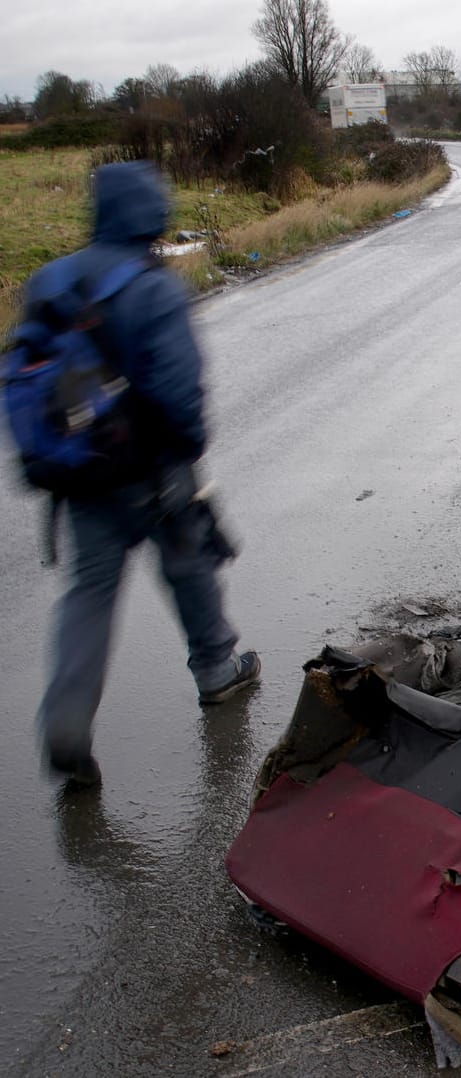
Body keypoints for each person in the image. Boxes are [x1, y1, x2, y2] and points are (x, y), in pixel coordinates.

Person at [28, 161, 258, 789]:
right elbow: (179, 391)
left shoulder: (51, 279)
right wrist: (186, 452)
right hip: (152, 471)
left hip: (80, 479)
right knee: (189, 566)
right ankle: (217, 671)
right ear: (151, 213)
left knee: (88, 596)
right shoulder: (153, 286)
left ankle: (66, 724)